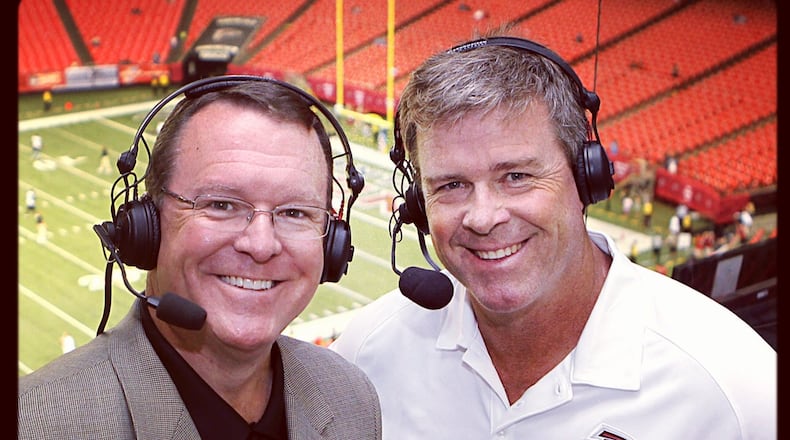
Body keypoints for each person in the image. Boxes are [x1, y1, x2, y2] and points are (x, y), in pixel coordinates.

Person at [330, 34, 775, 438]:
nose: (483, 218)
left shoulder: (737, 391)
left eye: (517, 176)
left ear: (586, 178)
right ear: (418, 206)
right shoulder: (366, 353)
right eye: (451, 185)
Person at [19, 76, 381, 439]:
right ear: (146, 226)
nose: (260, 244)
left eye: (295, 212)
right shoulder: (34, 424)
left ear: (332, 243)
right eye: (221, 204)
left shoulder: (351, 398)